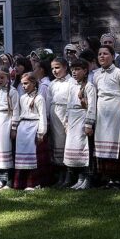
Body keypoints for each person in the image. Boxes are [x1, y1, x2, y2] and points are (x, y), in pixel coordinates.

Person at [93, 46, 120, 188]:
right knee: (103, 143)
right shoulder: (96, 75)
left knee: (117, 143)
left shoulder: (119, 73)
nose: (102, 56)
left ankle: (118, 177)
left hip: (116, 110)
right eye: (99, 54)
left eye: (105, 54)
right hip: (102, 110)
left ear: (113, 56)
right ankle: (108, 177)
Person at [12, 72, 49, 190]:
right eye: (22, 84)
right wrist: (15, 127)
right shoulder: (22, 98)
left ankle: (34, 183)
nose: (23, 86)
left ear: (33, 83)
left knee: (33, 156)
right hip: (23, 128)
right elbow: (18, 114)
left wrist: (41, 132)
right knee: (22, 156)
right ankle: (21, 183)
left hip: (33, 127)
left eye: (26, 83)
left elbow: (42, 116)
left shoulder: (39, 98)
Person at [65, 59, 97, 189]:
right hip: (73, 120)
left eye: (77, 69)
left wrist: (89, 124)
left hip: (83, 120)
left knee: (85, 150)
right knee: (75, 151)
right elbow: (68, 104)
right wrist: (66, 121)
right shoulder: (72, 86)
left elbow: (92, 107)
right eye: (73, 70)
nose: (74, 72)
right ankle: (79, 178)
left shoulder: (89, 87)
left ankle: (87, 178)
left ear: (85, 71)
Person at [48, 58, 72, 186]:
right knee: (56, 143)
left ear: (65, 67)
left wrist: (68, 118)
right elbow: (48, 100)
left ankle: (68, 175)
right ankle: (60, 175)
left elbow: (72, 100)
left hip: (65, 113)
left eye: (57, 67)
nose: (54, 71)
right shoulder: (52, 84)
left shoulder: (71, 82)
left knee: (66, 143)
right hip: (54, 114)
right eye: (52, 68)